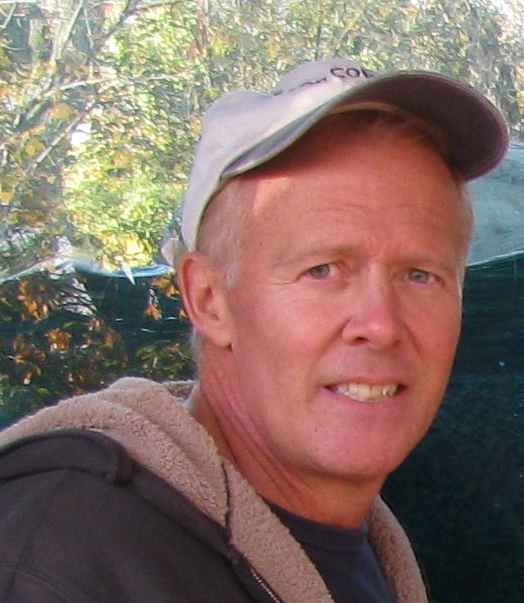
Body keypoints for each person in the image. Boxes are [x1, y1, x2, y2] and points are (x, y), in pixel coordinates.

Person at [0, 58, 508, 603]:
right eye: (322, 270)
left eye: (420, 275)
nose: (380, 325)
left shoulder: (357, 549)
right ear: (208, 299)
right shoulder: (66, 560)